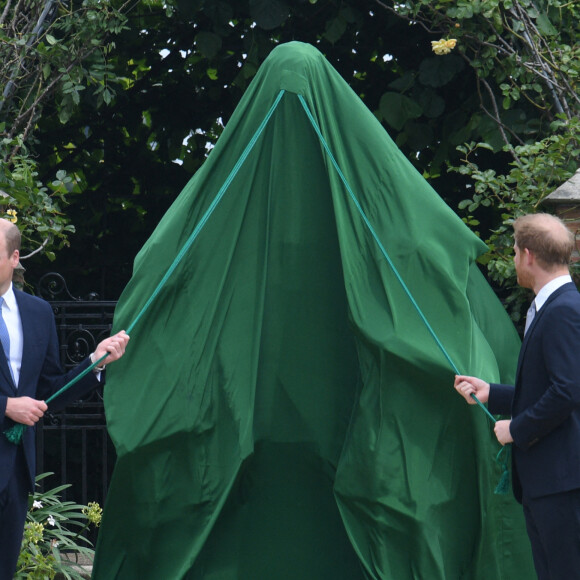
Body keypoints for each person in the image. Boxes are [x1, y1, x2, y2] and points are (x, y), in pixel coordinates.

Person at [0, 219, 130, 579]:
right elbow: (15, 403)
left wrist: (94, 362)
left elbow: (48, 392)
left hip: (14, 472)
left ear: (14, 257)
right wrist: (6, 407)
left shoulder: (38, 313)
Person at [454, 212, 580, 580]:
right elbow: (550, 387)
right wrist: (491, 393)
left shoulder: (564, 312)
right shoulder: (549, 308)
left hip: (563, 485)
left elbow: (568, 390)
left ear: (527, 255)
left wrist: (517, 429)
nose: (513, 260)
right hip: (551, 484)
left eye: (512, 252)